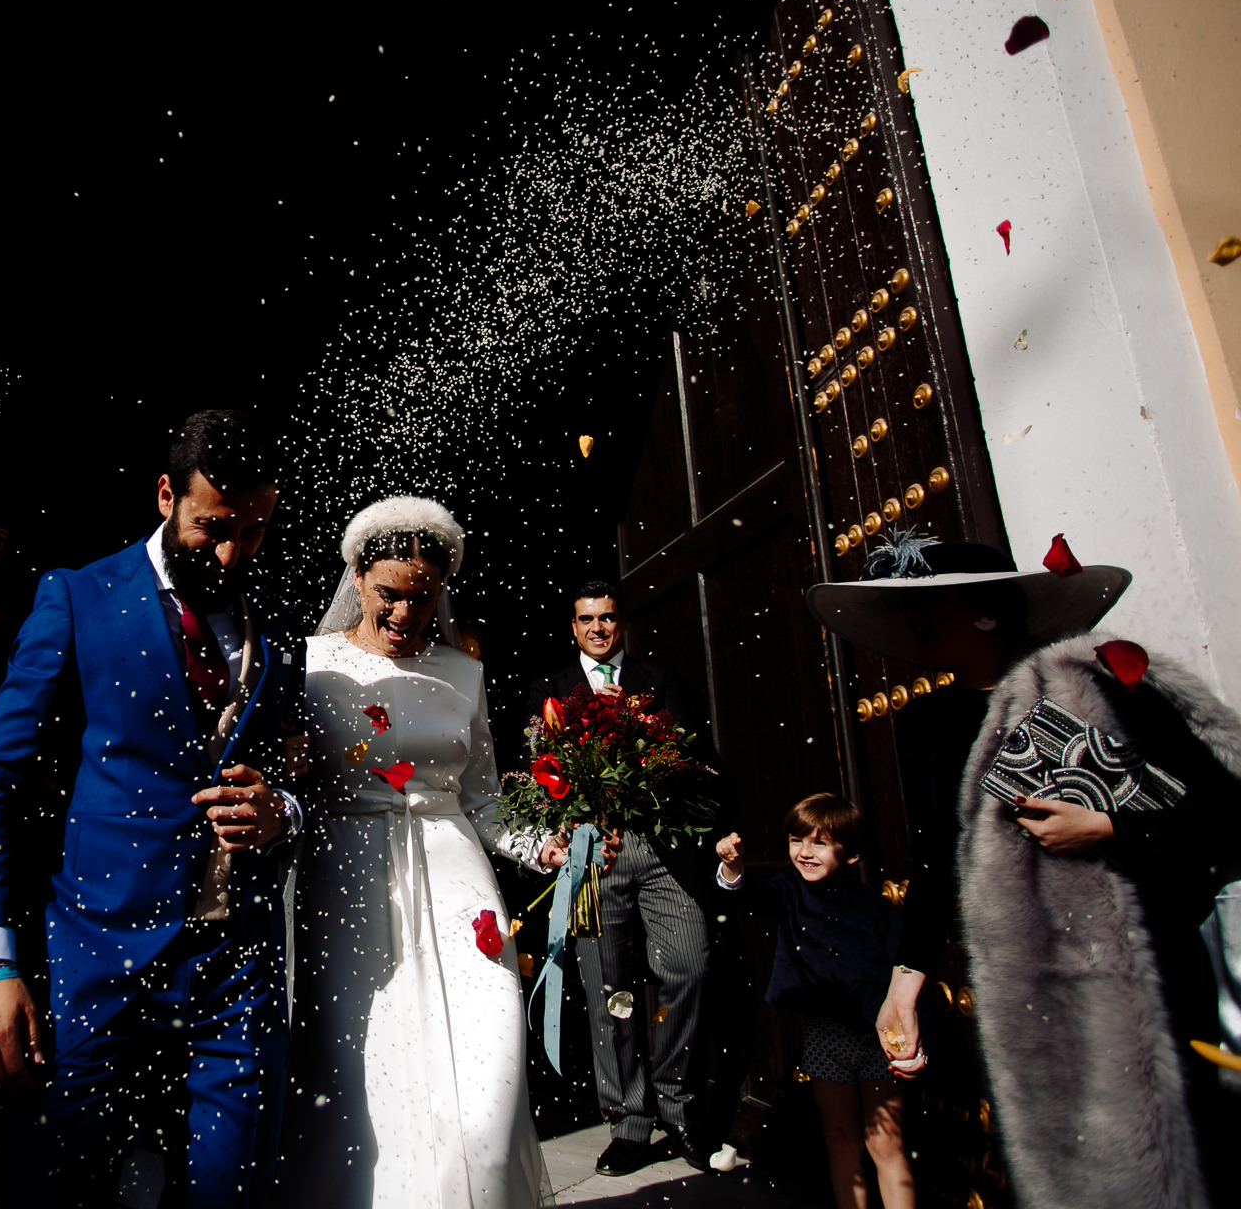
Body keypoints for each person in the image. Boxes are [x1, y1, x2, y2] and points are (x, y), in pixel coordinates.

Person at [805, 530, 1240, 1209]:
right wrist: (903, 986)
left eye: (930, 603)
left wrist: (1106, 827)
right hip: (1033, 988)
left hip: (1147, 964)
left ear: (986, 609)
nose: (911, 620)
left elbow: (1224, 813)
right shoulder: (925, 725)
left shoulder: (1093, 684)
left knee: (1180, 1162)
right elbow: (935, 862)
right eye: (901, 607)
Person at [0, 409, 306, 1208]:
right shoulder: (77, 598)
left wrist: (281, 808)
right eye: (214, 526)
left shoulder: (280, 631)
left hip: (238, 972)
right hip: (99, 965)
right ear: (163, 495)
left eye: (253, 533)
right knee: (55, 1189)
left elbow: (304, 779)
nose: (230, 552)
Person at [275, 496, 563, 1209]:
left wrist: (542, 845)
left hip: (455, 880)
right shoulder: (312, 665)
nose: (405, 613)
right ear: (357, 577)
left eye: (423, 598)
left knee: (486, 1090)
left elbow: (485, 796)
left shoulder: (464, 673)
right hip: (344, 882)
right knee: (354, 1083)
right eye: (389, 595)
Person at [524, 581, 721, 1174]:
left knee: (689, 964)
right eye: (587, 619)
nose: (599, 629)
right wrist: (569, 820)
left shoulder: (657, 679)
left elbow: (694, 755)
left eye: (608, 618)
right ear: (573, 626)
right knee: (609, 989)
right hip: (593, 853)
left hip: (661, 848)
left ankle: (679, 1106)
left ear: (623, 623)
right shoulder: (550, 689)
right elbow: (537, 768)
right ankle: (630, 1121)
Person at [714, 796, 912, 1209]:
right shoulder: (790, 890)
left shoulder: (875, 909)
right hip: (824, 1036)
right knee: (840, 1138)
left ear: (852, 853)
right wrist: (732, 865)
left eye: (819, 843)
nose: (805, 852)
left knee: (885, 1142)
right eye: (796, 840)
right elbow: (749, 894)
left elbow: (903, 974)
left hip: (878, 1037)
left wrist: (908, 1040)